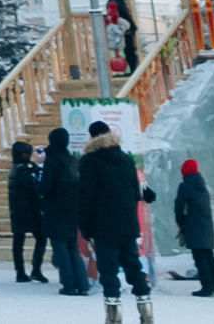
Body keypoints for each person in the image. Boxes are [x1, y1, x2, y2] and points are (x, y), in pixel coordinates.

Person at [77, 121, 157, 323]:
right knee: (134, 267)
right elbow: (135, 192)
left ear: (92, 137)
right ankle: (146, 313)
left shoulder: (90, 161)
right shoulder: (126, 159)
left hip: (103, 226)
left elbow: (86, 197)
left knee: (108, 270)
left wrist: (85, 228)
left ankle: (114, 317)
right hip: (128, 224)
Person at [41, 127, 88, 295]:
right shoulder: (73, 160)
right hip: (73, 208)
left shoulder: (52, 161)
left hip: (55, 208)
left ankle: (69, 284)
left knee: (60, 247)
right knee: (72, 246)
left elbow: (45, 187)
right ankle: (82, 284)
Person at [174, 158, 214, 297]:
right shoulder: (202, 185)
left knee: (200, 259)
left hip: (194, 226)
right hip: (207, 226)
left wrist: (181, 223)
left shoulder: (185, 186)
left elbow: (179, 207)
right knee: (209, 256)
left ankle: (207, 287)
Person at [6, 139, 48, 282]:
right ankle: (36, 269)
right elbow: (35, 188)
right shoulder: (25, 170)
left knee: (18, 241)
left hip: (17, 211)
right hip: (30, 210)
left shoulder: (15, 169)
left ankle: (20, 271)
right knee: (41, 238)